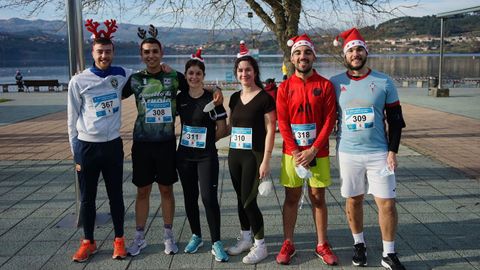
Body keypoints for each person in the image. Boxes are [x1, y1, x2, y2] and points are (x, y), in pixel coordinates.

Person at [123, 26, 223, 257]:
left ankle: (168, 237)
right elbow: (110, 93)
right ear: (141, 55)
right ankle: (139, 237)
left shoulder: (174, 77)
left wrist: (216, 89)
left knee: (167, 190)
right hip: (142, 144)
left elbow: (196, 84)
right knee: (142, 191)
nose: (151, 56)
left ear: (161, 53)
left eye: (154, 52)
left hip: (167, 144)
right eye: (146, 52)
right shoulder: (135, 80)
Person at [330, 28, 406, 270]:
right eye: (350, 49)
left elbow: (395, 120)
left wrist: (392, 151)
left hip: (379, 153)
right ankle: (359, 244)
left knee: (387, 203)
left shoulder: (384, 82)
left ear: (365, 52)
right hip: (348, 152)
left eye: (359, 49)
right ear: (345, 55)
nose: (355, 53)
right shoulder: (335, 83)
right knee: (354, 200)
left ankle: (389, 253)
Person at [67, 19, 129, 262]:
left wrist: (166, 68)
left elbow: (149, 73)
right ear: (92, 53)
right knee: (87, 197)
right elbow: (71, 120)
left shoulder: (122, 74)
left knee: (116, 195)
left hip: (112, 145)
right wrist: (76, 151)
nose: (104, 55)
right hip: (87, 147)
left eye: (108, 51)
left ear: (113, 52)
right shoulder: (78, 81)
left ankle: (119, 240)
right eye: (100, 52)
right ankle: (88, 241)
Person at [275, 34, 338, 266]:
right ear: (292, 59)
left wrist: (312, 150)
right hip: (292, 153)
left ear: (314, 56)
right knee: (291, 197)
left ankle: (322, 243)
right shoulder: (284, 88)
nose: (303, 57)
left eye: (307, 52)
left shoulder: (325, 85)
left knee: (318, 197)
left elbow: (330, 120)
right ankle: (288, 242)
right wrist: (294, 152)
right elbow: (283, 122)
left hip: (317, 152)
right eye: (298, 53)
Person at [176, 48, 229, 262]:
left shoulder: (213, 99)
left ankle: (216, 241)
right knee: (190, 197)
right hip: (184, 157)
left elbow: (222, 128)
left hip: (207, 156)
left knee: (208, 198)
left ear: (203, 76)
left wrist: (208, 142)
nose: (194, 77)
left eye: (198, 74)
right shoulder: (180, 99)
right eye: (191, 73)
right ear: (186, 76)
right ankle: (196, 235)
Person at [226, 40, 276, 264]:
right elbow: (230, 126)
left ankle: (260, 245)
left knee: (249, 201)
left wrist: (266, 160)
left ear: (255, 72)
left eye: (248, 69)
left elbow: (270, 130)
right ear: (236, 73)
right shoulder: (235, 98)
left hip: (253, 156)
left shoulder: (265, 98)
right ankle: (245, 237)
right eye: (240, 70)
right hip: (234, 154)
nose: (244, 73)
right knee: (239, 198)